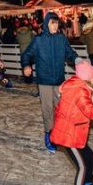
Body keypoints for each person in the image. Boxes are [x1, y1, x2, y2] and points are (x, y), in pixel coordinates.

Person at [21, 12, 82, 153]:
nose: (55, 26)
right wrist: (26, 65)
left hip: (59, 80)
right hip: (44, 81)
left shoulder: (61, 38)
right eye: (52, 23)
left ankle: (60, 132)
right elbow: (27, 54)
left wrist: (78, 60)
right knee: (48, 109)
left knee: (60, 108)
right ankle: (49, 134)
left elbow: (69, 52)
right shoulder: (38, 40)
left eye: (56, 23)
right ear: (47, 24)